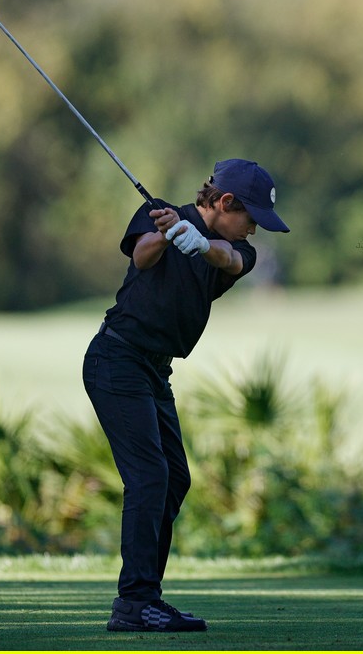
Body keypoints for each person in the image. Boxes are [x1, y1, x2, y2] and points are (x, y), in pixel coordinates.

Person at [83, 158, 289, 633]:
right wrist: (168, 232)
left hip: (155, 372)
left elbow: (231, 260)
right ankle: (135, 602)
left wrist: (198, 241)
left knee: (174, 478)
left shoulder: (236, 249)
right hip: (117, 359)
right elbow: (142, 257)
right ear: (224, 202)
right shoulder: (156, 214)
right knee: (150, 477)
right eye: (250, 217)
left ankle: (144, 599)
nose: (254, 230)